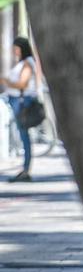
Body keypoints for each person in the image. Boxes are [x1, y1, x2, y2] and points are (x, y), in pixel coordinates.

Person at [5, 37, 38, 183]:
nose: (14, 51)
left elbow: (22, 84)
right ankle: (25, 168)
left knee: (24, 136)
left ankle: (26, 169)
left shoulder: (27, 63)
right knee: (23, 135)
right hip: (18, 101)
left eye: (16, 48)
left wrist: (6, 82)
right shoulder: (24, 62)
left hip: (21, 102)